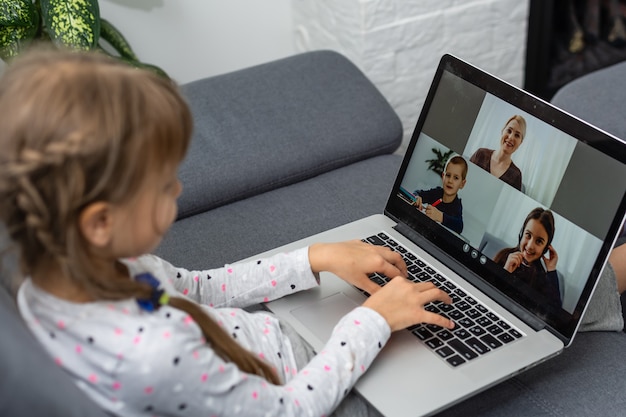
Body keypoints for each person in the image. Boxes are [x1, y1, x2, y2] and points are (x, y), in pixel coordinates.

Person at [0, 48, 456, 417]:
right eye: (162, 185)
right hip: (305, 388)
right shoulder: (152, 356)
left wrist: (315, 258)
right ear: (99, 223)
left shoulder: (64, 276)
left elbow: (199, 288)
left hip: (264, 348)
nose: (178, 187)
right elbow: (290, 408)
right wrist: (371, 323)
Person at [493, 208, 562, 305]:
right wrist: (505, 272)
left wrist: (551, 270)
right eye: (528, 235)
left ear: (545, 248)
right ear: (521, 234)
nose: (530, 246)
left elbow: (554, 314)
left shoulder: (543, 279)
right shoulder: (503, 256)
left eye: (539, 241)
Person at [413, 155, 467, 234]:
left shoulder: (457, 205)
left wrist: (440, 216)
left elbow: (459, 226)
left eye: (456, 178)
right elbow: (417, 192)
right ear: (443, 177)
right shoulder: (436, 192)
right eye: (448, 175)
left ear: (462, 184)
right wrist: (416, 197)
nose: (450, 181)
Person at [470, 115, 525, 191]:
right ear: (502, 131)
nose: (511, 137)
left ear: (520, 143)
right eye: (509, 131)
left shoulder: (516, 175)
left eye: (517, 135)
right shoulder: (481, 154)